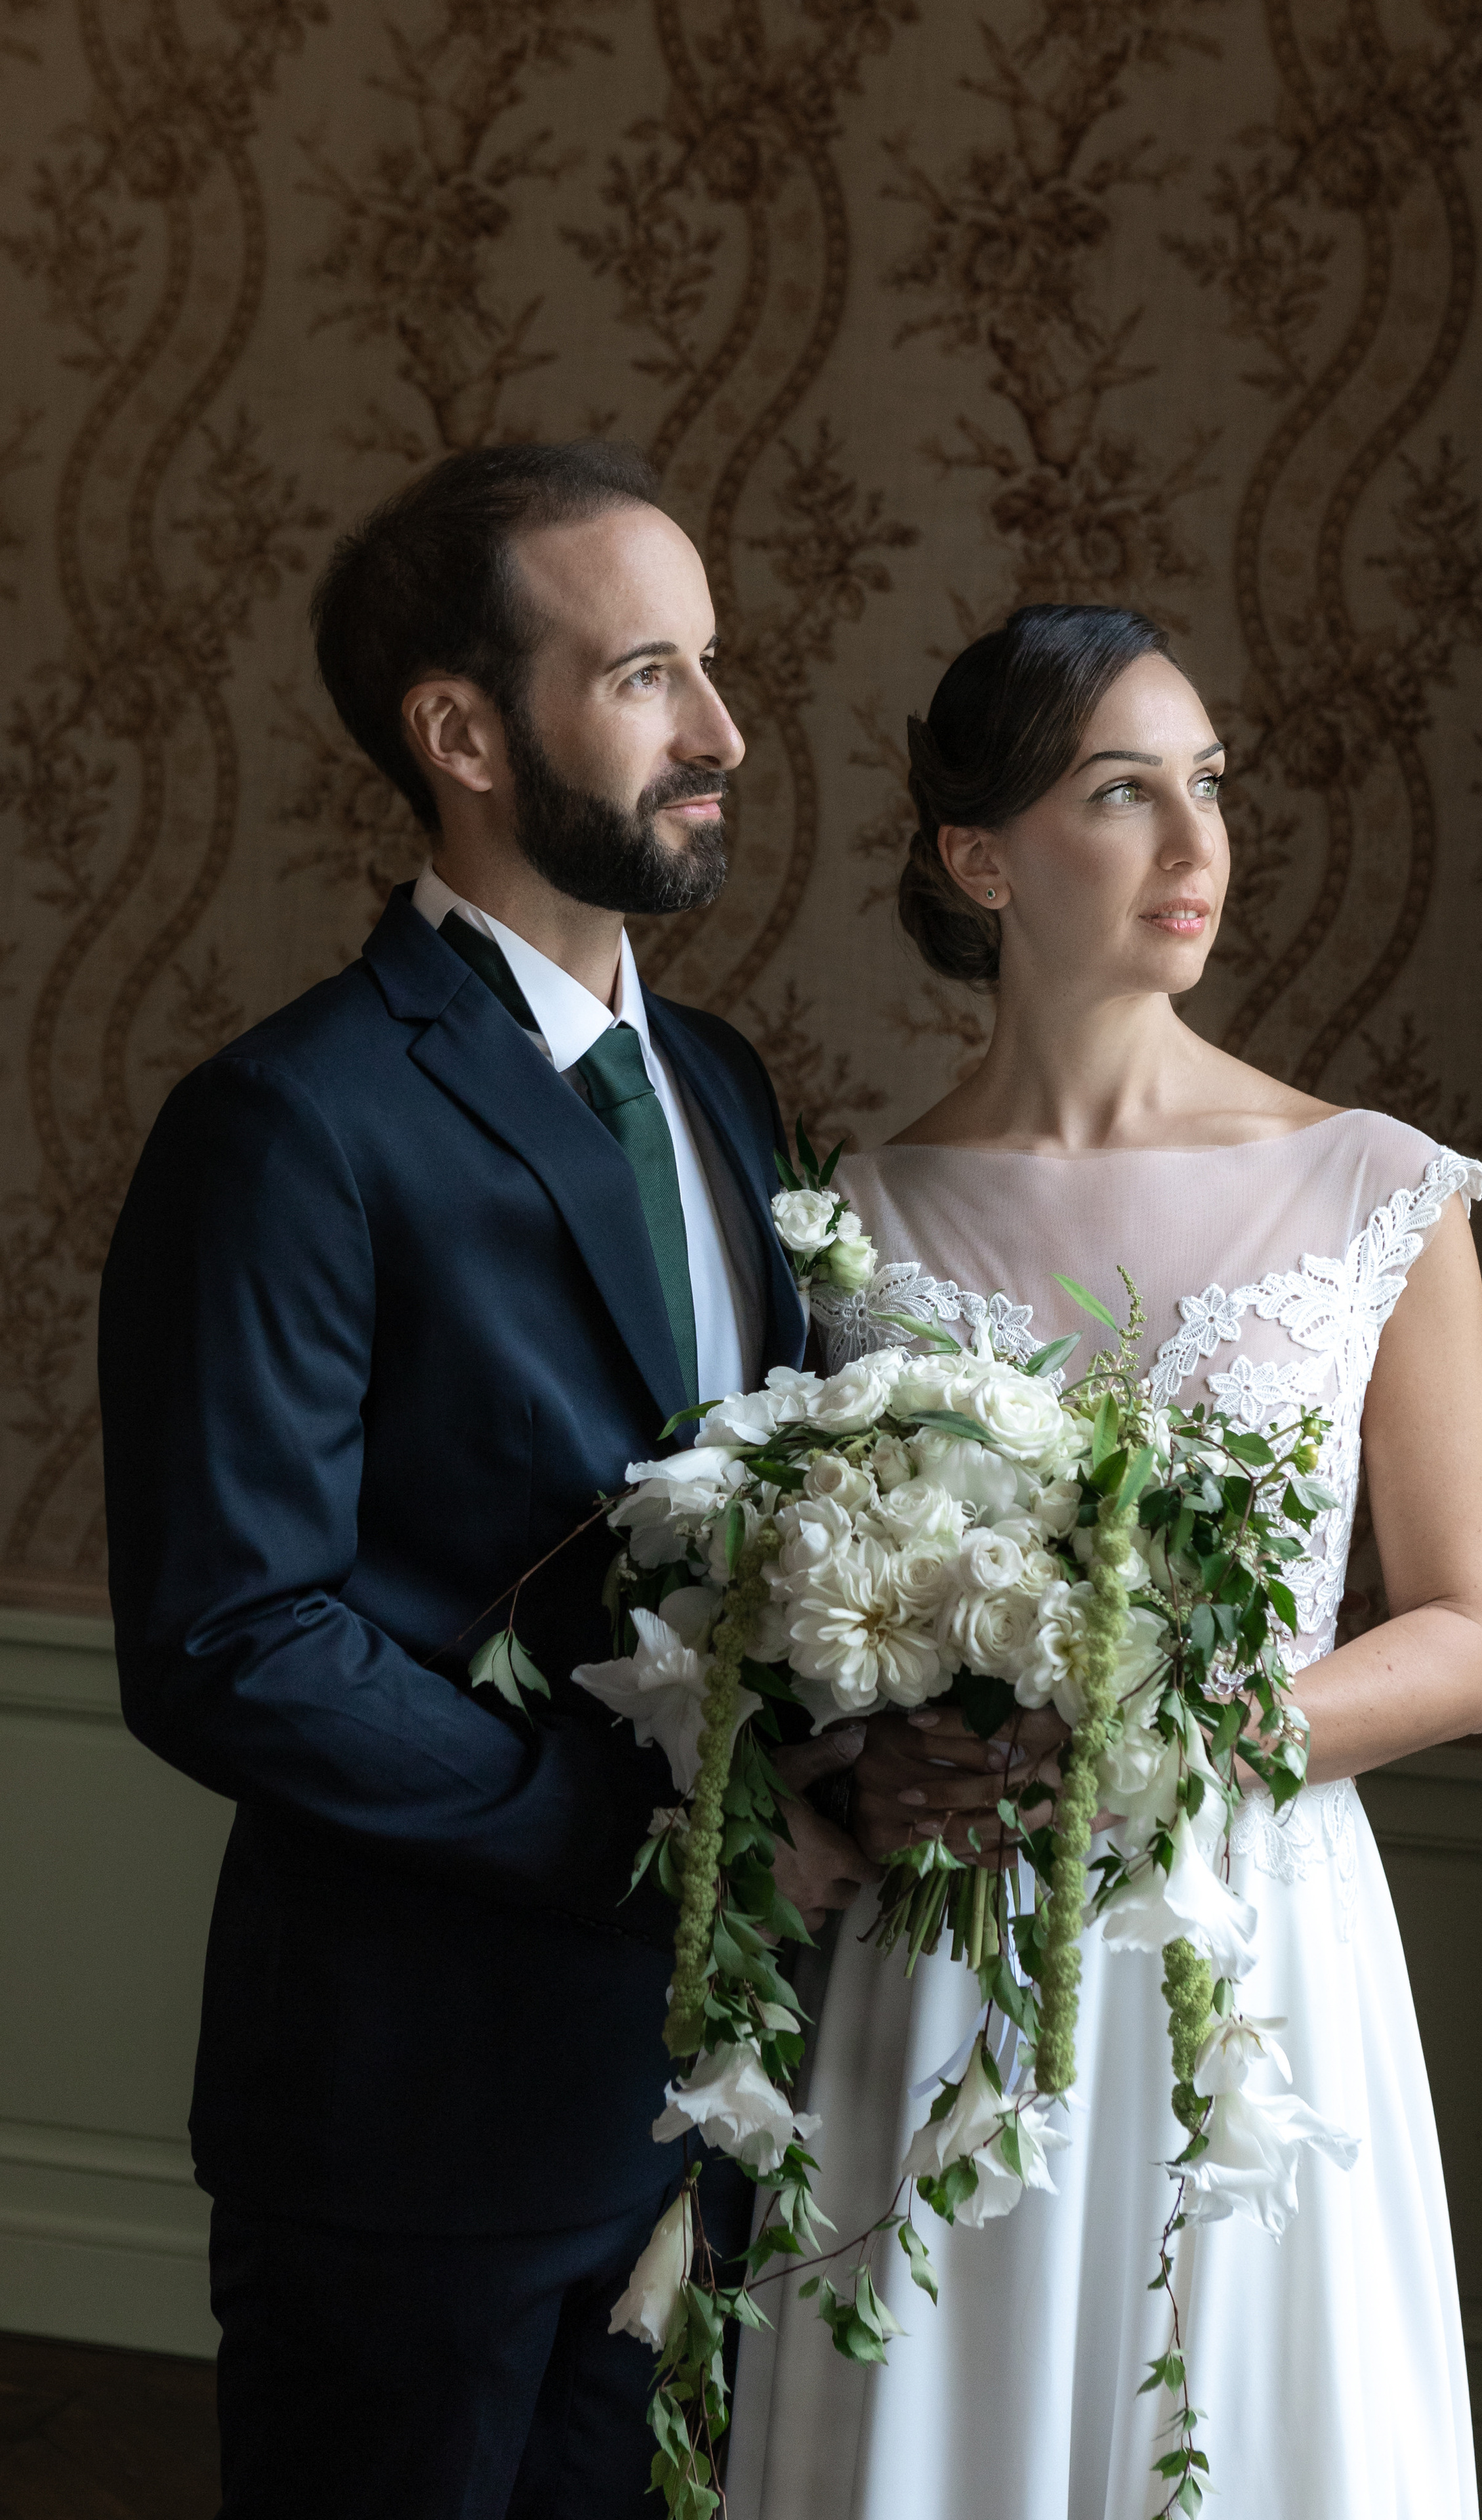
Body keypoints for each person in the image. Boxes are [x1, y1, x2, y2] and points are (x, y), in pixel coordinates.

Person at [98, 440, 873, 2519]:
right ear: (461, 734)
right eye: (646, 676)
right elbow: (231, 1637)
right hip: (411, 2120)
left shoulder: (720, 1084)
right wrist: (649, 1842)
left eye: (711, 664)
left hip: (708, 2094)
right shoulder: (291, 1121)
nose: (724, 733)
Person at [728, 603, 1482, 2520]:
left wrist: (1182, 1741)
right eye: (1121, 792)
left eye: (1210, 785)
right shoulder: (853, 1224)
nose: (1195, 843)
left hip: (1256, 1953)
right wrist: (861, 1766)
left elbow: (1469, 1634)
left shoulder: (1374, 1187)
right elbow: (814, 1623)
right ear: (979, 858)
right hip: (947, 1964)